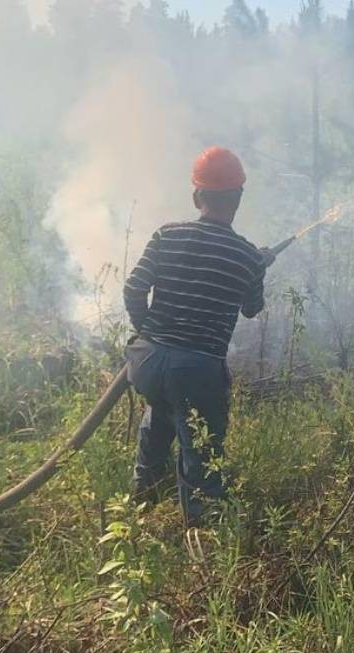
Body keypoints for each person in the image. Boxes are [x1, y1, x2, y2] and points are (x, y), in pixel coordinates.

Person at [123, 146, 275, 525]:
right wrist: (259, 265)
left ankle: (142, 503)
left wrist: (146, 332)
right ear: (238, 199)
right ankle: (201, 535)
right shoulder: (246, 257)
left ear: (196, 196)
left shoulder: (166, 235)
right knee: (201, 457)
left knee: (159, 412)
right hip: (197, 369)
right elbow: (252, 308)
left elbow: (133, 288)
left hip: (147, 362)